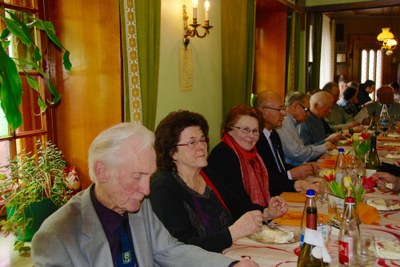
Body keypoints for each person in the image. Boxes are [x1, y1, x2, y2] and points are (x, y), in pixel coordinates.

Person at [32, 123, 257, 267]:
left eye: (149, 177)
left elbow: (170, 251)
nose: (146, 190)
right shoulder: (57, 237)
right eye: (137, 177)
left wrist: (230, 265)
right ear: (102, 172)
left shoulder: (138, 206)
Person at [150, 110, 263, 253]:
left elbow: (236, 205)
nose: (202, 147)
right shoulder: (163, 189)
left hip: (229, 254)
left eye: (202, 139)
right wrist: (233, 232)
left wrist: (266, 213)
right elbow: (181, 248)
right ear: (173, 152)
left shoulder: (207, 175)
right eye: (192, 142)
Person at [208, 105, 288, 221]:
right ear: (230, 130)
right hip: (234, 226)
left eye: (255, 131)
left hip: (252, 219)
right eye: (246, 129)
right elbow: (234, 203)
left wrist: (295, 184)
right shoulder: (223, 155)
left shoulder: (253, 155)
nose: (251, 136)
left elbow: (270, 181)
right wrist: (266, 213)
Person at [252, 90, 320, 195]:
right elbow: (263, 180)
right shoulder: (254, 140)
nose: (284, 113)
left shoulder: (273, 134)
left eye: (284, 108)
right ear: (264, 111)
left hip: (284, 188)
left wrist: (301, 168)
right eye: (280, 109)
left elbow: (280, 167)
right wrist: (291, 174)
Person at [272, 91, 335, 166]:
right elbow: (297, 154)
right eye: (306, 110)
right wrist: (324, 147)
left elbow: (302, 149)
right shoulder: (283, 122)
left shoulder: (293, 122)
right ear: (296, 106)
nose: (308, 114)